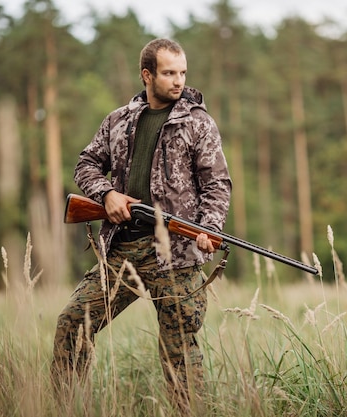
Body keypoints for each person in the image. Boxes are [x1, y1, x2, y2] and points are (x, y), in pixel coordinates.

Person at [51, 38, 232, 412]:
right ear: (147, 75)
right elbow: (85, 164)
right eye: (168, 73)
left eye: (182, 72)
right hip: (123, 249)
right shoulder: (118, 120)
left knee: (179, 351)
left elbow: (216, 184)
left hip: (177, 255)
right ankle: (63, 407)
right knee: (73, 323)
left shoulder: (198, 122)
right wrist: (106, 195)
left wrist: (208, 229)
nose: (178, 81)